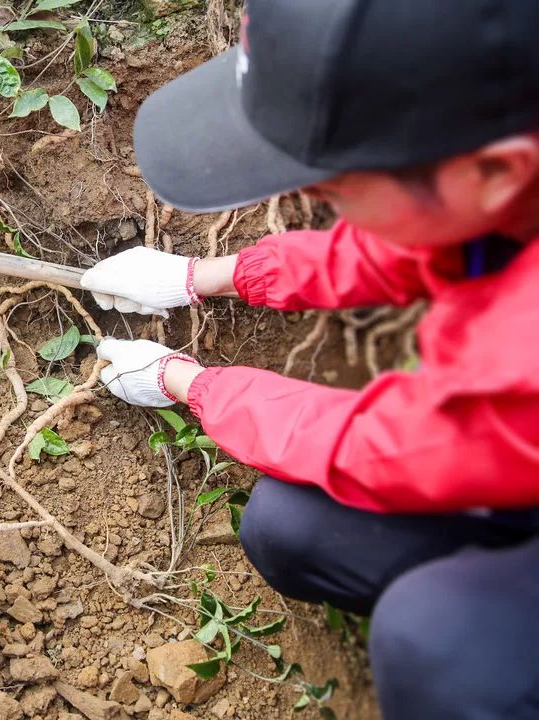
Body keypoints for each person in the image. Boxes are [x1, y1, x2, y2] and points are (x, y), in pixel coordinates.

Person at [79, 1, 539, 718]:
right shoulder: (494, 156)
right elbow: (415, 240)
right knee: (290, 528)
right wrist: (204, 276)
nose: (309, 199)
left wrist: (186, 381)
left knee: (439, 644)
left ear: (497, 171)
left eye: (331, 190)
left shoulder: (523, 357)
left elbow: (376, 448)